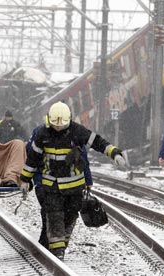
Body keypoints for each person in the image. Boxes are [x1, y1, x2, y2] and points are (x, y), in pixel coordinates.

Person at [20, 101, 127, 260]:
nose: (58, 128)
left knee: (69, 218)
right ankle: (57, 255)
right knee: (54, 216)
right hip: (51, 186)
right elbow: (33, 159)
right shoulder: (42, 134)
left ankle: (59, 247)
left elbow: (97, 142)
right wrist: (25, 179)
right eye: (55, 125)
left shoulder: (77, 131)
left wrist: (115, 153)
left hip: (74, 187)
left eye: (61, 125)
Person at [26, 125, 94, 248]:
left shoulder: (74, 134)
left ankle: (52, 245)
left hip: (61, 182)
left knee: (62, 214)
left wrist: (88, 180)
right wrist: (28, 178)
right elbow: (31, 156)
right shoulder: (40, 133)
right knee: (50, 213)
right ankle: (49, 245)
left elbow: (82, 158)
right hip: (44, 181)